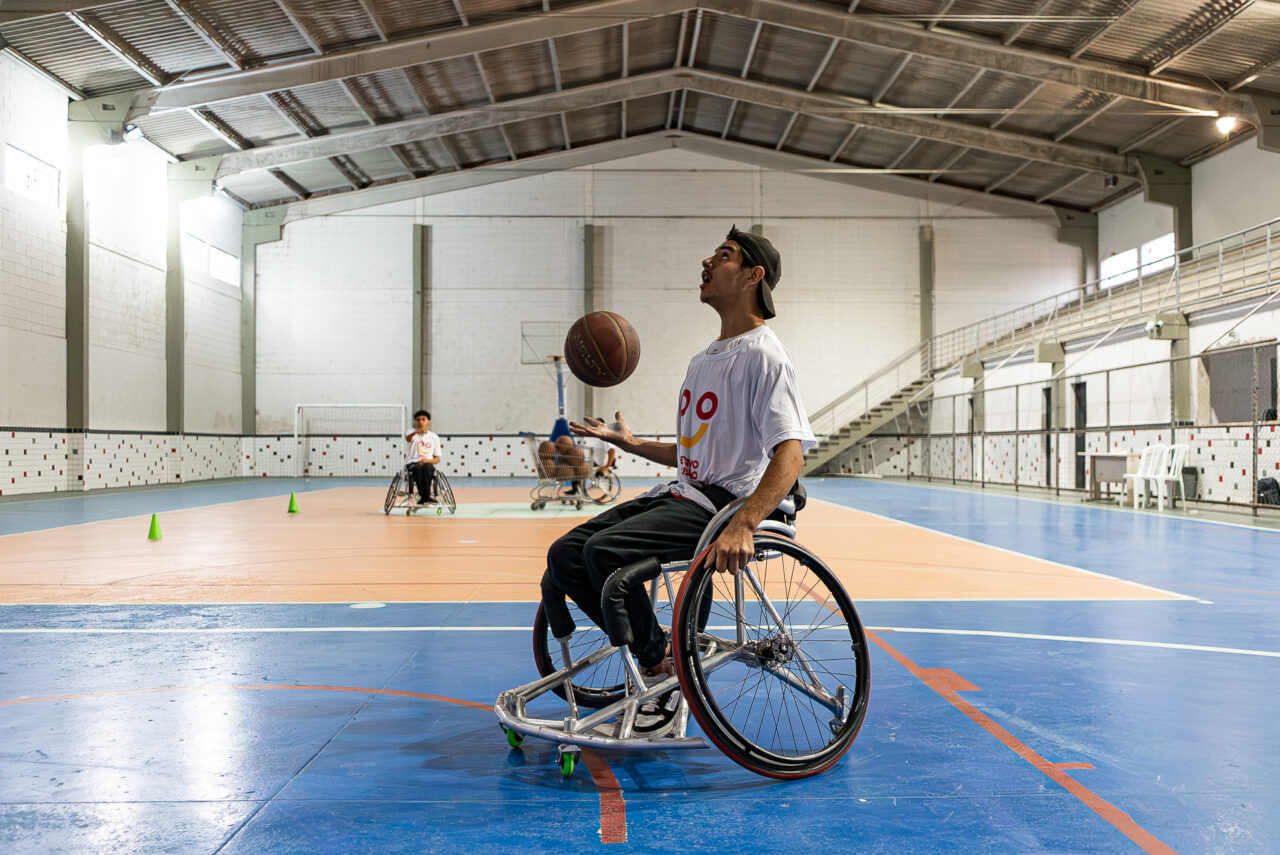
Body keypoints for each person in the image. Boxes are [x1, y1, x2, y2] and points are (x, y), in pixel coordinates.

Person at [539, 226, 815, 712]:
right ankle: (659, 652)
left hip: (723, 505)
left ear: (753, 275)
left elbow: (791, 456)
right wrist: (631, 442)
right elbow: (692, 452)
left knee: (604, 552)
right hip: (686, 493)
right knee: (565, 553)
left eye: (723, 256)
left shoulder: (765, 356)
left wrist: (743, 523)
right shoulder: (703, 359)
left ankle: (658, 664)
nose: (707, 263)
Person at [404, 410, 441, 505]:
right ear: (415, 422)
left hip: (427, 463)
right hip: (412, 464)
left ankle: (425, 497)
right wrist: (416, 432)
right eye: (418, 420)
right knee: (419, 469)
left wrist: (425, 460)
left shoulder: (434, 437)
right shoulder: (411, 432)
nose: (420, 422)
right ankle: (425, 497)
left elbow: (437, 459)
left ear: (428, 421)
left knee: (427, 467)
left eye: (423, 419)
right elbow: (408, 438)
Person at [572, 422, 617, 496]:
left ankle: (578, 492)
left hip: (599, 465)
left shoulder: (606, 438)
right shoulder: (598, 438)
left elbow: (612, 450)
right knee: (576, 467)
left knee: (579, 469)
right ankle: (576, 490)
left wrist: (607, 467)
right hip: (594, 463)